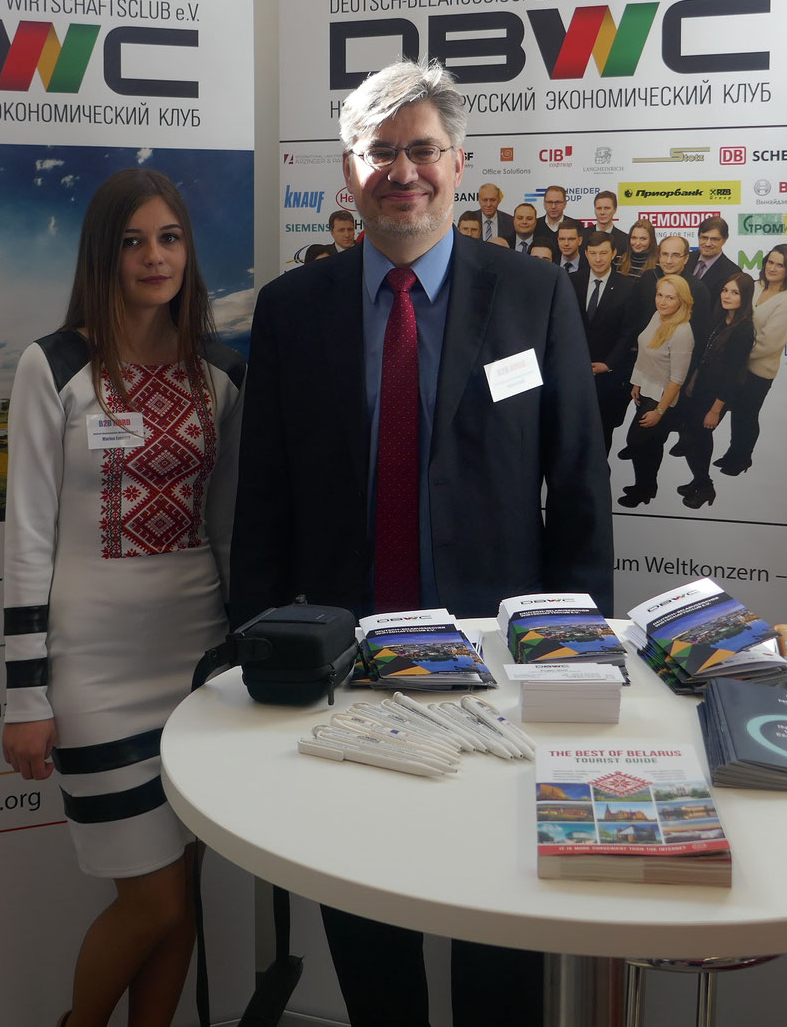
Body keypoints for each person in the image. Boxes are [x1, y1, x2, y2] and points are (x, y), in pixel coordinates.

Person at [230, 58, 612, 1027]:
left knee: (500, 951)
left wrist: (578, 663)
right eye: (380, 152)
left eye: (423, 150)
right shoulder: (291, 310)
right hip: (345, 677)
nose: (403, 172)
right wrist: (256, 655)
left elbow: (576, 487)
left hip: (497, 681)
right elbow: (263, 498)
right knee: (370, 942)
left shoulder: (533, 294)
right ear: (349, 172)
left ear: (458, 163)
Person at [1, 168, 244, 1027]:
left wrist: (241, 660)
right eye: (134, 241)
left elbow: (228, 526)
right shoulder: (54, 366)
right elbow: (27, 537)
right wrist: (25, 695)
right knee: (153, 899)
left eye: (169, 237)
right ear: (104, 254)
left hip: (200, 667)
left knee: (182, 893)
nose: (154, 257)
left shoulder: (220, 372)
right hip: (94, 675)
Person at [717, 243, 787, 477]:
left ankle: (741, 459)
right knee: (732, 411)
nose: (772, 268)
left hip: (758, 370)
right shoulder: (754, 286)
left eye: (780, 265)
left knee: (745, 415)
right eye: (770, 262)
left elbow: (769, 343)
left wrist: (735, 355)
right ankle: (732, 453)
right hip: (735, 365)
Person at [671, 272, 755, 510]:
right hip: (699, 389)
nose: (727, 296)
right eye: (725, 290)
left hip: (716, 396)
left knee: (699, 438)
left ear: (745, 297)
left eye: (735, 292)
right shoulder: (720, 318)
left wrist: (716, 410)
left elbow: (732, 375)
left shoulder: (743, 330)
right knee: (690, 436)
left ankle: (705, 486)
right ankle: (698, 480)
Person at [617, 273, 694, 507]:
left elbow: (677, 380)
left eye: (670, 297)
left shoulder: (682, 332)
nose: (662, 301)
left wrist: (659, 411)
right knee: (650, 445)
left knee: (637, 441)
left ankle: (643, 488)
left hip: (662, 398)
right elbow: (645, 350)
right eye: (660, 295)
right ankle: (647, 487)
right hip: (646, 389)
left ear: (681, 300)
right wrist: (637, 382)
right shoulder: (657, 316)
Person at [573, 231, 640, 458]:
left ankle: (600, 474)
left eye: (603, 253)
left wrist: (608, 364)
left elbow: (628, 332)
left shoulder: (628, 287)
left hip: (608, 376)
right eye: (593, 253)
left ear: (613, 253)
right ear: (585, 253)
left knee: (602, 436)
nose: (598, 259)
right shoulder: (572, 281)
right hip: (576, 373)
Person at [683, 214, 735, 307]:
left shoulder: (732, 272)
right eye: (704, 238)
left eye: (714, 239)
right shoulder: (684, 259)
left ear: (724, 240)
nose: (708, 244)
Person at [534, 183, 580, 253]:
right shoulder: (535, 225)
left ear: (565, 204)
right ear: (544, 203)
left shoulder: (576, 225)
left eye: (557, 202)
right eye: (549, 202)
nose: (553, 206)